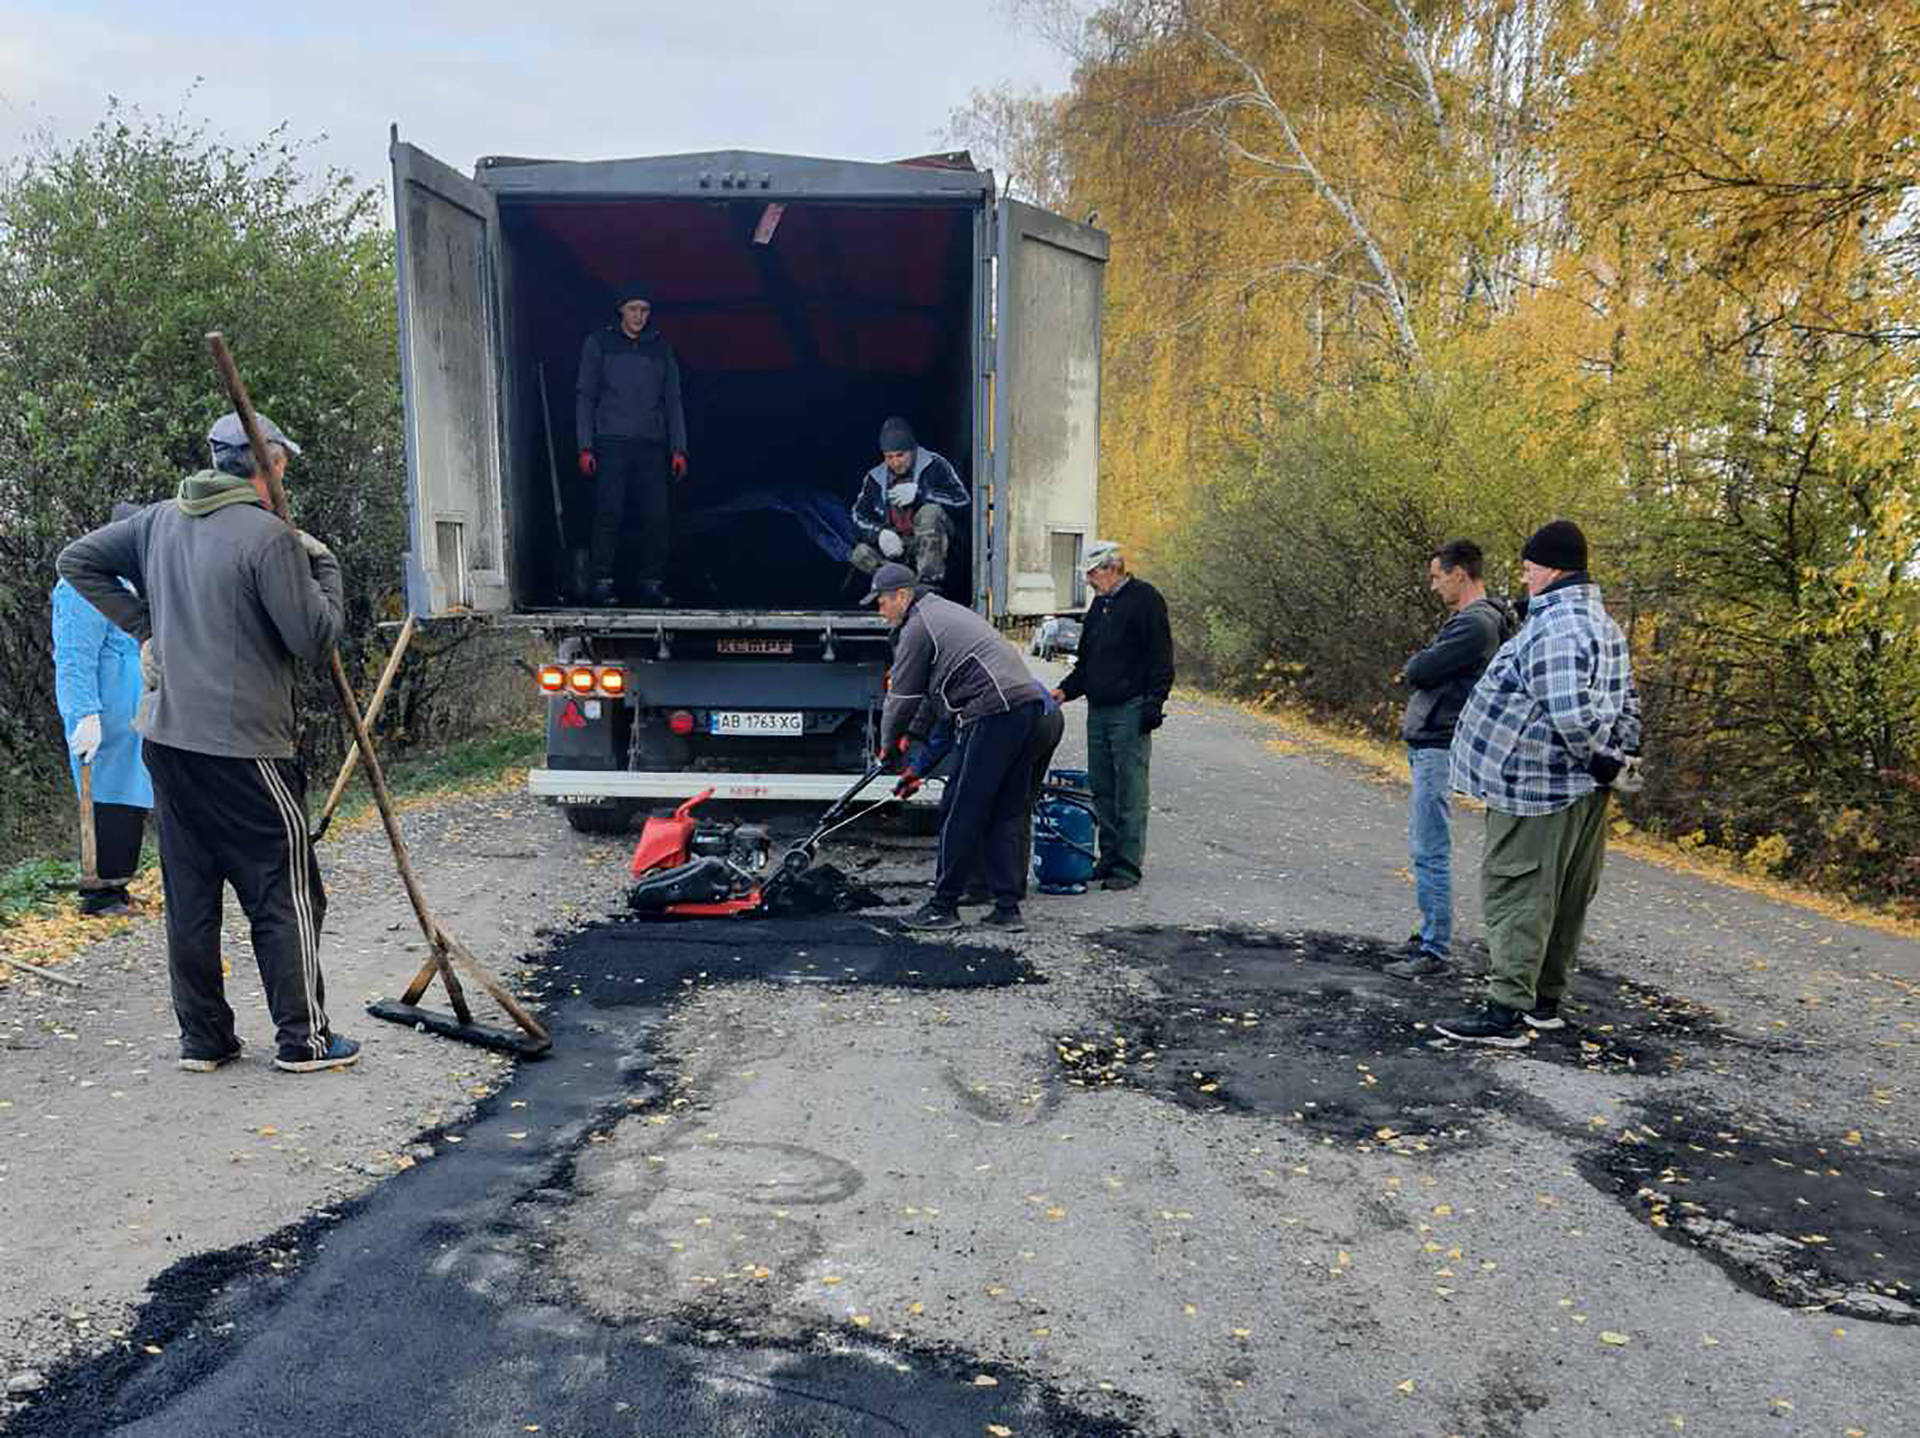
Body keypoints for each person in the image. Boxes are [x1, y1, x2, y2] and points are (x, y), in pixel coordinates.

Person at [57, 412, 361, 1075]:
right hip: (247, 748)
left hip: (167, 742)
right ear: (265, 464)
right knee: (287, 890)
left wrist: (148, 629)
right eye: (282, 465)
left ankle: (205, 1041)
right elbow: (312, 641)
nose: (284, 475)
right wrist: (326, 568)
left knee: (192, 895)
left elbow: (76, 559)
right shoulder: (270, 538)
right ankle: (304, 1041)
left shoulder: (161, 519)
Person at [1437, 520, 1642, 1046]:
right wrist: (1619, 761)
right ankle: (1543, 1004)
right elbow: (1628, 703)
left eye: (1529, 570)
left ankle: (1506, 1011)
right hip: (1582, 792)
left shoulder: (1559, 629)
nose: (1524, 579)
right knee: (1566, 895)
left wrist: (1599, 759)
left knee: (1517, 890)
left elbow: (1569, 714)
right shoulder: (1602, 624)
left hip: (1535, 787)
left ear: (1552, 570)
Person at [866, 562, 1048, 932]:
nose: (879, 610)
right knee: (1004, 811)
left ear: (902, 595)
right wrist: (914, 759)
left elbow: (900, 698)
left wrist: (886, 747)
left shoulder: (919, 627)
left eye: (881, 602)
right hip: (1027, 708)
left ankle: (942, 906)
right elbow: (934, 705)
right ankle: (1007, 908)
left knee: (960, 808)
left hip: (994, 710)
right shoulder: (942, 613)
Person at [1386, 540, 1514, 980]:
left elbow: (1419, 671)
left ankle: (1435, 948)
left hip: (1440, 743)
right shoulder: (1476, 621)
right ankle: (1428, 932)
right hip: (1435, 741)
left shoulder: (1475, 625)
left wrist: (1416, 664)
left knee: (1429, 846)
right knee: (1426, 843)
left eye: (1437, 575)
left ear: (1460, 574)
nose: (1433, 584)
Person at [1048, 540, 1174, 890]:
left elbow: (1161, 657)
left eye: (1092, 573)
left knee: (1129, 790)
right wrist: (1064, 690)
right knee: (1103, 787)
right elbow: (1087, 664)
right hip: (1098, 709)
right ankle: (1108, 857)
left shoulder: (1145, 599)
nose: (1089, 581)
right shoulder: (1099, 606)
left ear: (1112, 568)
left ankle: (1127, 867)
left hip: (1130, 707)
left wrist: (1154, 704)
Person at [51, 502, 154, 918]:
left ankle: (118, 886)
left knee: (130, 800)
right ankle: (99, 895)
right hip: (102, 718)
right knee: (106, 800)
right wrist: (84, 714)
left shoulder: (126, 585)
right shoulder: (79, 586)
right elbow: (75, 656)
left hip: (131, 718)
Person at [576, 286, 688, 608]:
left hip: (652, 444)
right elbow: (585, 395)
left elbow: (673, 400)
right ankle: (602, 581)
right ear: (621, 311)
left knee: (656, 516)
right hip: (611, 441)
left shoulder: (661, 348)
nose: (639, 316)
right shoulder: (599, 344)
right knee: (610, 512)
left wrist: (679, 448)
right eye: (633, 309)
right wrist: (585, 446)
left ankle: (651, 583)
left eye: (645, 310)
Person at [901, 696, 1066, 908]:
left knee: (973, 804)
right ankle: (1011, 888)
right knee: (1017, 805)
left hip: (1013, 715)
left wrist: (916, 768)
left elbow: (942, 736)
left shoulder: (945, 685)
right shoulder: (980, 670)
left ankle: (977, 890)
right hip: (1047, 716)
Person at [849, 417, 969, 587]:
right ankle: (899, 586)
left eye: (900, 455)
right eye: (889, 457)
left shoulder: (935, 465)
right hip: (899, 547)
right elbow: (857, 517)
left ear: (913, 450)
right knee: (859, 554)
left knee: (930, 512)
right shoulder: (875, 478)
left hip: (936, 547)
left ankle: (929, 585)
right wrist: (879, 534)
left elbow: (963, 503)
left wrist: (922, 493)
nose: (895, 462)